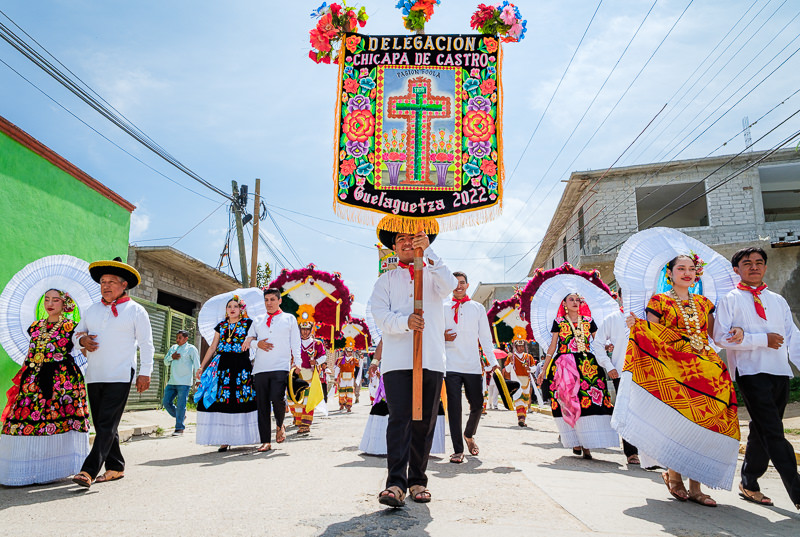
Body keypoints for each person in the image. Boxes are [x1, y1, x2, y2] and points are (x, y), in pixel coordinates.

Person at [618, 255, 739, 507]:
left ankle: (697, 485)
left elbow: (716, 335)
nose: (687, 273)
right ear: (669, 274)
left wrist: (736, 331)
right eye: (680, 268)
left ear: (698, 273)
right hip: (674, 370)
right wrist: (636, 325)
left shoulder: (705, 303)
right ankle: (674, 476)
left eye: (691, 269)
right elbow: (652, 336)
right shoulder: (659, 301)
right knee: (678, 424)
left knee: (705, 425)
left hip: (706, 370)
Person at [370, 225, 457, 507]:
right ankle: (395, 483)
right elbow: (381, 316)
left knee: (424, 422)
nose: (407, 243)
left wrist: (428, 251)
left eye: (413, 238)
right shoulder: (385, 280)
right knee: (399, 420)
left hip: (431, 357)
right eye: (401, 239)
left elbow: (451, 286)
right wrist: (404, 322)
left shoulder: (434, 274)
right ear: (393, 247)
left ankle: (418, 480)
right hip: (396, 361)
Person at [713, 247, 800, 510]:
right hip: (751, 373)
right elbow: (720, 337)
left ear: (765, 267)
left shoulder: (777, 300)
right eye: (747, 263)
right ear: (736, 269)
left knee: (761, 429)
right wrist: (762, 340)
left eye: (759, 262)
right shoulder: (730, 299)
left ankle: (749, 482)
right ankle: (797, 493)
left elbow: (793, 336)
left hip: (780, 373)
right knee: (774, 432)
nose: (754, 267)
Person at [70, 258, 154, 488]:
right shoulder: (92, 309)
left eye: (111, 282)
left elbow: (147, 344)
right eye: (103, 282)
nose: (106, 286)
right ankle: (116, 466)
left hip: (120, 373)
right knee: (103, 424)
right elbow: (75, 337)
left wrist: (145, 372)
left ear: (124, 284)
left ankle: (88, 471)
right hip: (95, 373)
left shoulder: (136, 311)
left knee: (106, 423)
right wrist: (83, 340)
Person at [0, 289, 90, 486]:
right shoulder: (34, 326)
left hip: (62, 381)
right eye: (46, 299)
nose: (50, 303)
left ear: (64, 303)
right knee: (24, 418)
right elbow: (32, 351)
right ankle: (24, 469)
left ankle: (52, 470)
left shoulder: (71, 327)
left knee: (56, 420)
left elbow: (82, 349)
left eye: (55, 300)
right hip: (33, 378)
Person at [537, 293, 617, 460]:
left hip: (588, 366)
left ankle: (588, 443)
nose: (575, 302)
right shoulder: (559, 322)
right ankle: (574, 440)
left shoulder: (589, 321)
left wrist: (608, 346)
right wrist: (544, 369)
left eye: (578, 299)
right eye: (571, 299)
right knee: (568, 402)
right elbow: (553, 347)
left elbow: (599, 342)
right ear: (564, 303)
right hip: (564, 365)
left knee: (590, 402)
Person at [443, 271, 498, 463]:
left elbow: (485, 337)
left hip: (473, 365)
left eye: (462, 283)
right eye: (455, 283)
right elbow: (432, 333)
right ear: (450, 285)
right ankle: (458, 449)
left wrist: (492, 361)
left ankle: (469, 435)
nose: (459, 286)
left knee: (477, 405)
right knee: (454, 407)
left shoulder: (477, 308)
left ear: (467, 285)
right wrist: (443, 337)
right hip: (450, 365)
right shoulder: (442, 307)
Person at [195, 295, 258, 452]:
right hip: (222, 366)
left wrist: (249, 340)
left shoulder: (248, 324)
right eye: (229, 306)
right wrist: (202, 366)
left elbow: (255, 338)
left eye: (235, 306)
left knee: (241, 400)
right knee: (222, 400)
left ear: (241, 309)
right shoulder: (221, 326)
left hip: (241, 366)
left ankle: (242, 437)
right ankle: (224, 439)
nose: (232, 309)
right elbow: (212, 347)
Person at [244, 287, 300, 452]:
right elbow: (247, 342)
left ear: (279, 300)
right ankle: (265, 441)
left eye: (272, 300)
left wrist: (298, 362)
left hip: (281, 366)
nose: (269, 303)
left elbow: (295, 343)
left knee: (277, 399)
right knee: (262, 405)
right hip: (260, 368)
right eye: (266, 300)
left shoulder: (289, 319)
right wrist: (257, 344)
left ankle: (280, 424)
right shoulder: (258, 319)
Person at [591, 308, 639, 465]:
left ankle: (650, 454)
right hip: (622, 372)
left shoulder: (649, 314)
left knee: (646, 412)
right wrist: (609, 365)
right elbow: (597, 344)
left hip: (649, 372)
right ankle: (632, 452)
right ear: (620, 296)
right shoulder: (612, 318)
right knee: (626, 411)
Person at [291, 320, 326, 434]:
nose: (305, 332)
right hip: (297, 375)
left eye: (307, 329)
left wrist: (316, 361)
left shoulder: (317, 344)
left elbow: (324, 356)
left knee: (307, 400)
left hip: (310, 376)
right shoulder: (295, 342)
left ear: (311, 330)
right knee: (296, 400)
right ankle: (298, 420)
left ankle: (305, 424)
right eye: (303, 329)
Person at [162, 330, 200, 436]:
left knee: (181, 405)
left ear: (186, 338)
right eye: (177, 337)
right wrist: (171, 357)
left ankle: (179, 428)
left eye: (180, 338)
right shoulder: (173, 348)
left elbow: (197, 365)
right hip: (172, 381)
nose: (177, 340)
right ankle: (181, 416)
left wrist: (198, 380)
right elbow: (165, 362)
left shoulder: (191, 349)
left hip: (184, 383)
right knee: (166, 402)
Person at [507, 329, 535, 427]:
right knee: (518, 399)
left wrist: (530, 368)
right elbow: (506, 369)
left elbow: (534, 368)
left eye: (522, 346)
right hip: (516, 380)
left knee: (525, 401)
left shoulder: (529, 356)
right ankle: (521, 419)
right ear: (515, 347)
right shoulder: (512, 357)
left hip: (526, 380)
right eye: (519, 346)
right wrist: (511, 363)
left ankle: (523, 418)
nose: (521, 348)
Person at [336, 343, 360, 412]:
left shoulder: (354, 360)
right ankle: (341, 404)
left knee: (350, 392)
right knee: (342, 392)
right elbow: (337, 368)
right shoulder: (340, 359)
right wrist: (335, 377)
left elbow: (358, 368)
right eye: (348, 351)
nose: (349, 353)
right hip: (342, 378)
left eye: (351, 351)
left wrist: (356, 376)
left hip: (350, 378)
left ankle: (349, 406)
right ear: (345, 352)